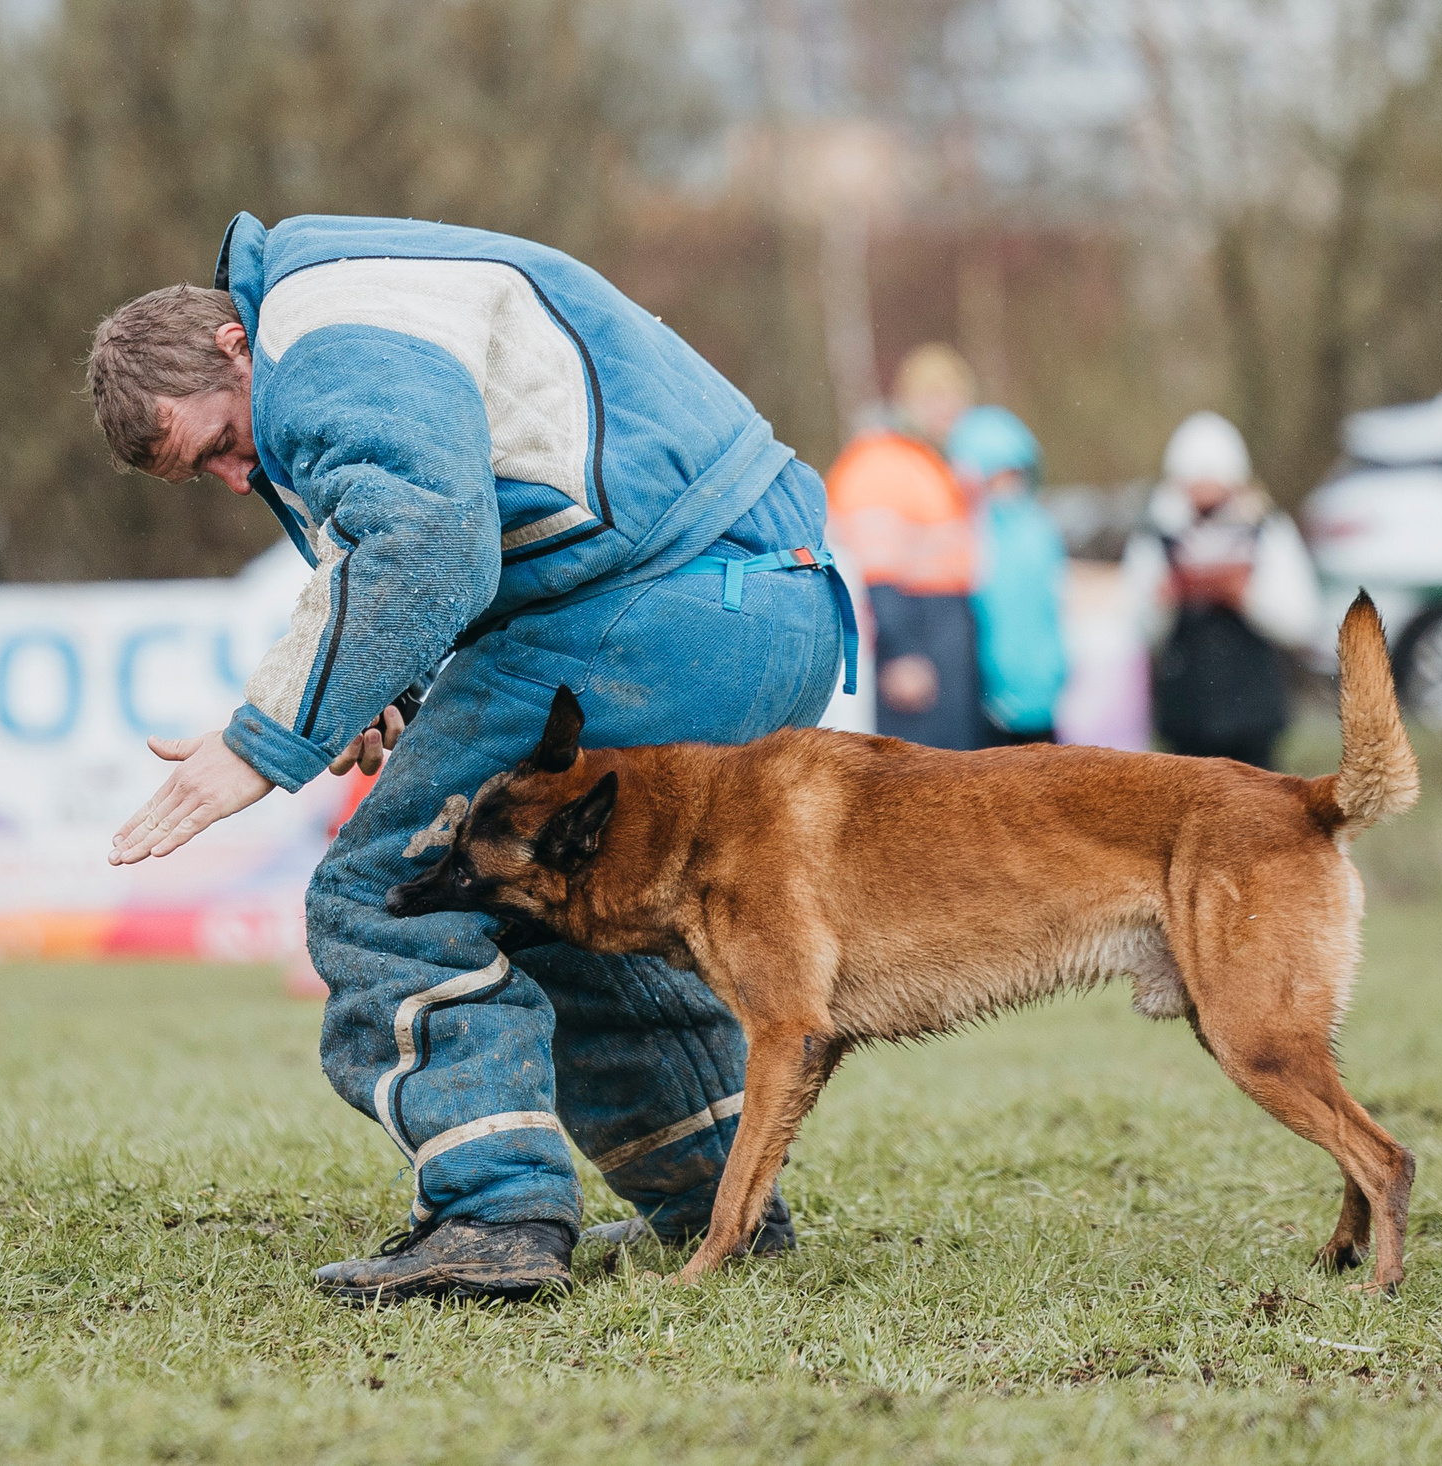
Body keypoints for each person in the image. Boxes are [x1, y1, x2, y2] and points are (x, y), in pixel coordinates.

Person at [85, 212, 855, 1305]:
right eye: (200, 472)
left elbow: (431, 538)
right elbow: (473, 504)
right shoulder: (362, 297)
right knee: (548, 899)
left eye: (215, 440)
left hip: (660, 608)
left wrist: (259, 744)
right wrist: (384, 685)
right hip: (770, 599)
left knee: (391, 897)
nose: (229, 473)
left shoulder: (317, 327)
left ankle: (490, 1215)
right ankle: (716, 1202)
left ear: (230, 346)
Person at [1119, 411, 1320, 770]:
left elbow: (1302, 618)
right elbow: (1135, 626)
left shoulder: (1267, 529)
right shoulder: (1155, 535)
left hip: (1254, 716)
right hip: (1186, 717)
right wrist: (1165, 599)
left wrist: (1244, 596)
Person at [825, 345, 985, 749]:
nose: (950, 412)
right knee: (920, 782)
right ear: (909, 401)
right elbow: (873, 570)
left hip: (943, 629)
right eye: (937, 399)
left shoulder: (927, 461)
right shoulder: (882, 462)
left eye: (956, 399)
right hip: (916, 632)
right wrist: (902, 653)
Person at [945, 406, 1069, 745]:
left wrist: (1057, 667)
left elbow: (1051, 605)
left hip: (1041, 693)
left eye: (1015, 474)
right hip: (985, 699)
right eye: (997, 475)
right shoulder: (970, 534)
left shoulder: (1040, 529)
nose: (1008, 486)